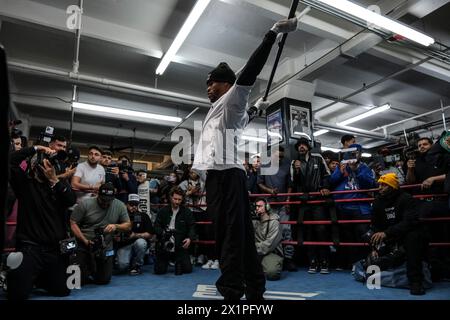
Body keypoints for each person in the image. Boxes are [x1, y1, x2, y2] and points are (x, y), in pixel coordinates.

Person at [192, 16, 298, 300]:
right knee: (239, 237)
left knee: (228, 236)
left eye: (211, 82)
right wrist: (256, 110)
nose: (207, 88)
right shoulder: (225, 109)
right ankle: (255, 289)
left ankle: (230, 293)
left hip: (226, 177)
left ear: (226, 84)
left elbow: (250, 72)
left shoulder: (232, 98)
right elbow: (239, 121)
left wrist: (272, 33)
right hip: (221, 177)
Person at [7, 145, 77, 300]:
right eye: (45, 162)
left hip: (54, 250)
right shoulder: (25, 184)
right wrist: (36, 148)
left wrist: (54, 180)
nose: (49, 165)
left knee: (64, 290)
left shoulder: (58, 184)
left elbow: (71, 200)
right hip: (30, 248)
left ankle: (39, 278)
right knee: (17, 294)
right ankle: (27, 276)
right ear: (35, 165)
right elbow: (10, 161)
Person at [370, 173, 429, 295]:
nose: (380, 187)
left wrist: (386, 233)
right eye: (379, 184)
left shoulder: (406, 198)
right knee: (369, 236)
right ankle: (373, 271)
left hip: (406, 233)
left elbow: (410, 221)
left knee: (413, 237)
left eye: (384, 185)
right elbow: (375, 225)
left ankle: (415, 281)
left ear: (392, 186)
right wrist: (375, 246)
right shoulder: (377, 201)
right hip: (389, 235)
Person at [70, 183, 131, 285]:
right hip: (85, 242)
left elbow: (128, 225)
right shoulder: (85, 204)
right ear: (98, 194)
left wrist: (116, 226)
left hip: (105, 245)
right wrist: (84, 241)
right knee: (77, 280)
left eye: (109, 201)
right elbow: (73, 222)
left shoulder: (120, 205)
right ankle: (87, 268)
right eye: (103, 200)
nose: (105, 203)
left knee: (104, 280)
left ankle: (93, 269)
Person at [288, 138, 331, 274]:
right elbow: (293, 183)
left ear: (308, 147)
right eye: (299, 145)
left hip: (317, 199)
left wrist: (325, 187)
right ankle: (312, 261)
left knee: (321, 229)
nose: (301, 147)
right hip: (304, 201)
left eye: (303, 145)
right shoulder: (294, 163)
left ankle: (324, 261)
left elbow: (326, 174)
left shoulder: (318, 158)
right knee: (308, 231)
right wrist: (296, 171)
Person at [153, 187, 197, 275]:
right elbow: (156, 226)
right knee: (159, 271)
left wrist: (189, 238)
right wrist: (163, 233)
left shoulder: (187, 212)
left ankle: (177, 260)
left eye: (179, 199)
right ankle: (167, 260)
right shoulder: (162, 211)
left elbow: (192, 227)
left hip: (180, 245)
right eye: (175, 199)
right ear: (170, 198)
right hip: (165, 245)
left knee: (187, 269)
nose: (177, 202)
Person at [116, 194, 153, 275]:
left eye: (136, 204)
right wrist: (117, 236)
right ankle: (130, 261)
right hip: (124, 245)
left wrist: (135, 235)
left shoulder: (143, 216)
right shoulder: (120, 216)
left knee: (141, 243)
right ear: (126, 204)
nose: (134, 206)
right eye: (131, 204)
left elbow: (150, 234)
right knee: (122, 266)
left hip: (138, 243)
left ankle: (137, 265)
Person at [253, 198, 284, 281]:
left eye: (259, 206)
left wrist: (251, 247)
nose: (257, 208)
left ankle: (264, 266)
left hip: (271, 252)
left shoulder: (274, 223)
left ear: (267, 207)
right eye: (256, 206)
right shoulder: (255, 221)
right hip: (256, 252)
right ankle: (260, 266)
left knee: (272, 273)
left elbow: (269, 245)